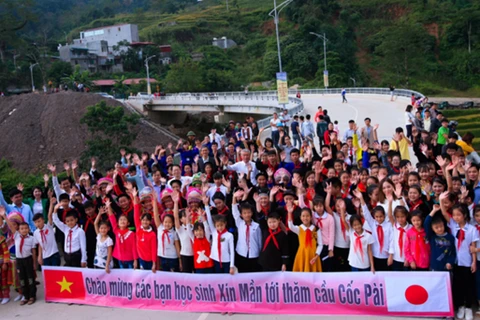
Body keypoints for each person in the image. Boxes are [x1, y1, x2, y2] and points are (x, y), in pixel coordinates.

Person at [1, 207, 37, 305]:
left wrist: (34, 263)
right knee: (22, 279)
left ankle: (32, 296)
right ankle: (25, 296)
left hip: (28, 260)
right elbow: (10, 226)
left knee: (30, 279)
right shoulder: (16, 236)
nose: (24, 230)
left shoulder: (32, 238)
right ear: (19, 230)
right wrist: (4, 215)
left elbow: (33, 252)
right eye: (22, 228)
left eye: (26, 228)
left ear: (28, 229)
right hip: (19, 261)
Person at [232, 192, 262, 273]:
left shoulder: (256, 226)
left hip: (254, 254)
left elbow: (259, 242)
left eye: (249, 212)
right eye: (244, 213)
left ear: (252, 213)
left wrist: (259, 252)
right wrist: (234, 197)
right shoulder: (239, 223)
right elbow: (235, 212)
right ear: (241, 214)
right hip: (241, 254)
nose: (247, 215)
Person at [288, 207, 322, 272]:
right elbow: (291, 226)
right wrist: (289, 213)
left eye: (307, 216)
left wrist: (316, 256)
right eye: (303, 216)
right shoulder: (299, 229)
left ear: (311, 217)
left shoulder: (316, 229)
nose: (305, 218)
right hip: (302, 255)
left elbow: (320, 244)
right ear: (300, 217)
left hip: (313, 255)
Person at [106, 201, 138, 269]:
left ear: (128, 223)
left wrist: (135, 260)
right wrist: (108, 207)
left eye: (124, 220)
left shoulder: (131, 234)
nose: (122, 221)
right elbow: (112, 219)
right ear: (118, 223)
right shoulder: (116, 231)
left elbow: (134, 247)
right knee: (123, 277)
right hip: (120, 258)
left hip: (130, 259)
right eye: (120, 220)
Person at [205, 205, 235, 274]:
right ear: (215, 225)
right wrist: (206, 205)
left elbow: (232, 251)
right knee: (217, 279)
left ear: (225, 224)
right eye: (217, 226)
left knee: (227, 280)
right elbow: (209, 220)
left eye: (221, 225)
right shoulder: (214, 232)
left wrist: (232, 266)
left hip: (226, 261)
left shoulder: (229, 235)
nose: (220, 227)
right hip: (216, 260)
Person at [93, 208, 113, 272]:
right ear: (99, 229)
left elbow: (109, 253)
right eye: (101, 228)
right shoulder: (99, 236)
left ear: (108, 229)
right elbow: (95, 223)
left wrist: (107, 265)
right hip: (97, 262)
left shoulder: (109, 240)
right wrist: (99, 214)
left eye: (105, 228)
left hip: (105, 264)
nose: (103, 230)